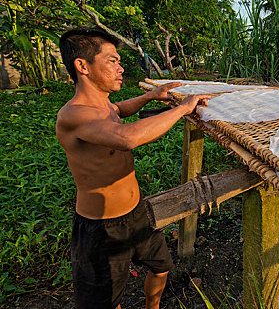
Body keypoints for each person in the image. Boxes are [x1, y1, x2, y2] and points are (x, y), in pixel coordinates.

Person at [56, 28, 210, 309]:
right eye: (112, 61)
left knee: (161, 266)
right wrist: (182, 109)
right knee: (106, 299)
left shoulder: (102, 104)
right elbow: (128, 138)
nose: (120, 67)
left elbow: (118, 110)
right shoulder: (73, 115)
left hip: (137, 212)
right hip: (102, 228)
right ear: (82, 66)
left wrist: (150, 97)